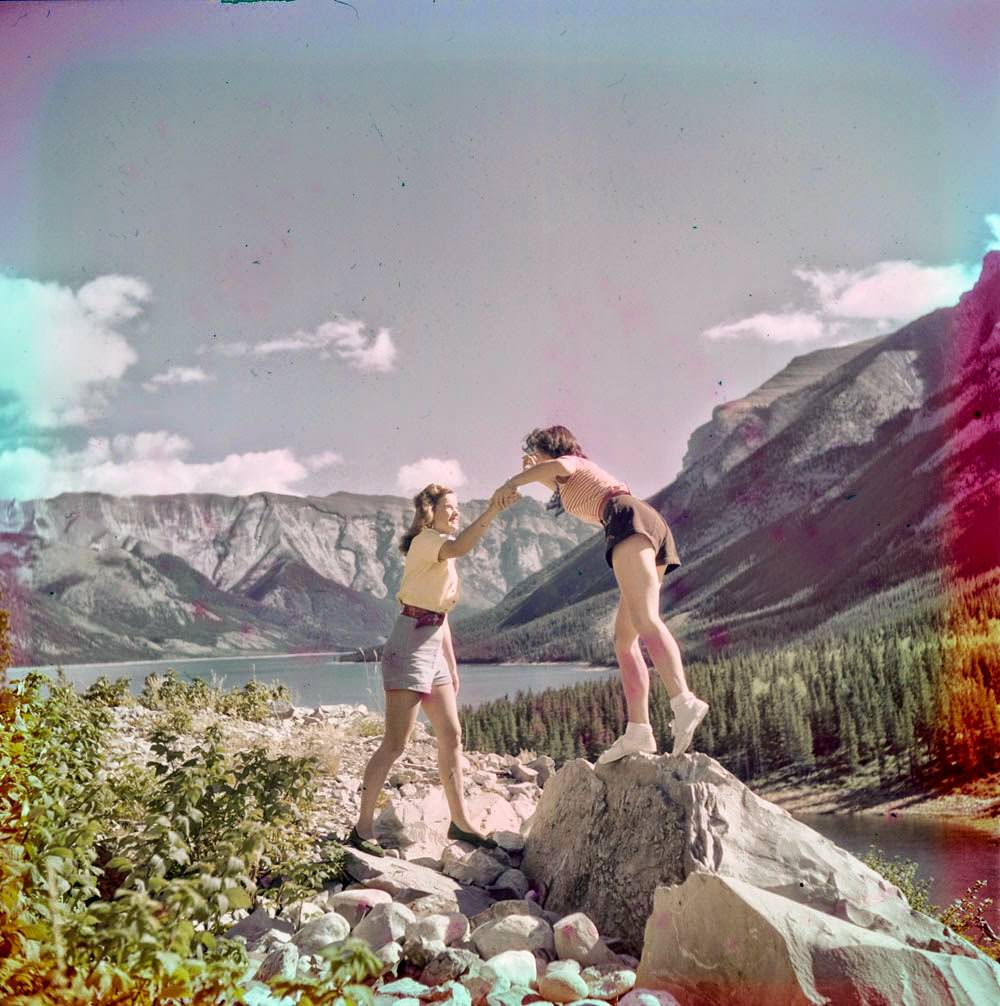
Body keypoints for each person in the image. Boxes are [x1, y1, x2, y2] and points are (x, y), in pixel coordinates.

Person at [500, 425, 708, 761]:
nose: (531, 462)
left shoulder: (570, 463)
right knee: (624, 640)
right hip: (639, 520)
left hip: (627, 518)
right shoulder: (570, 477)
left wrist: (511, 483)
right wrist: (532, 473)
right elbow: (553, 477)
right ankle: (638, 731)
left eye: (534, 454)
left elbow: (559, 468)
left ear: (548, 449)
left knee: (645, 619)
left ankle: (683, 701)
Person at [348, 481, 518, 856]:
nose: (456, 513)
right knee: (396, 743)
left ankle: (460, 823)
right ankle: (362, 829)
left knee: (452, 735)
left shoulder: (443, 547)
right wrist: (492, 510)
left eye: (458, 507)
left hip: (434, 646)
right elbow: (459, 547)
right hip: (409, 645)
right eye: (450, 508)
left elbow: (440, 613)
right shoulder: (427, 540)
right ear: (430, 511)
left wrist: (451, 665)